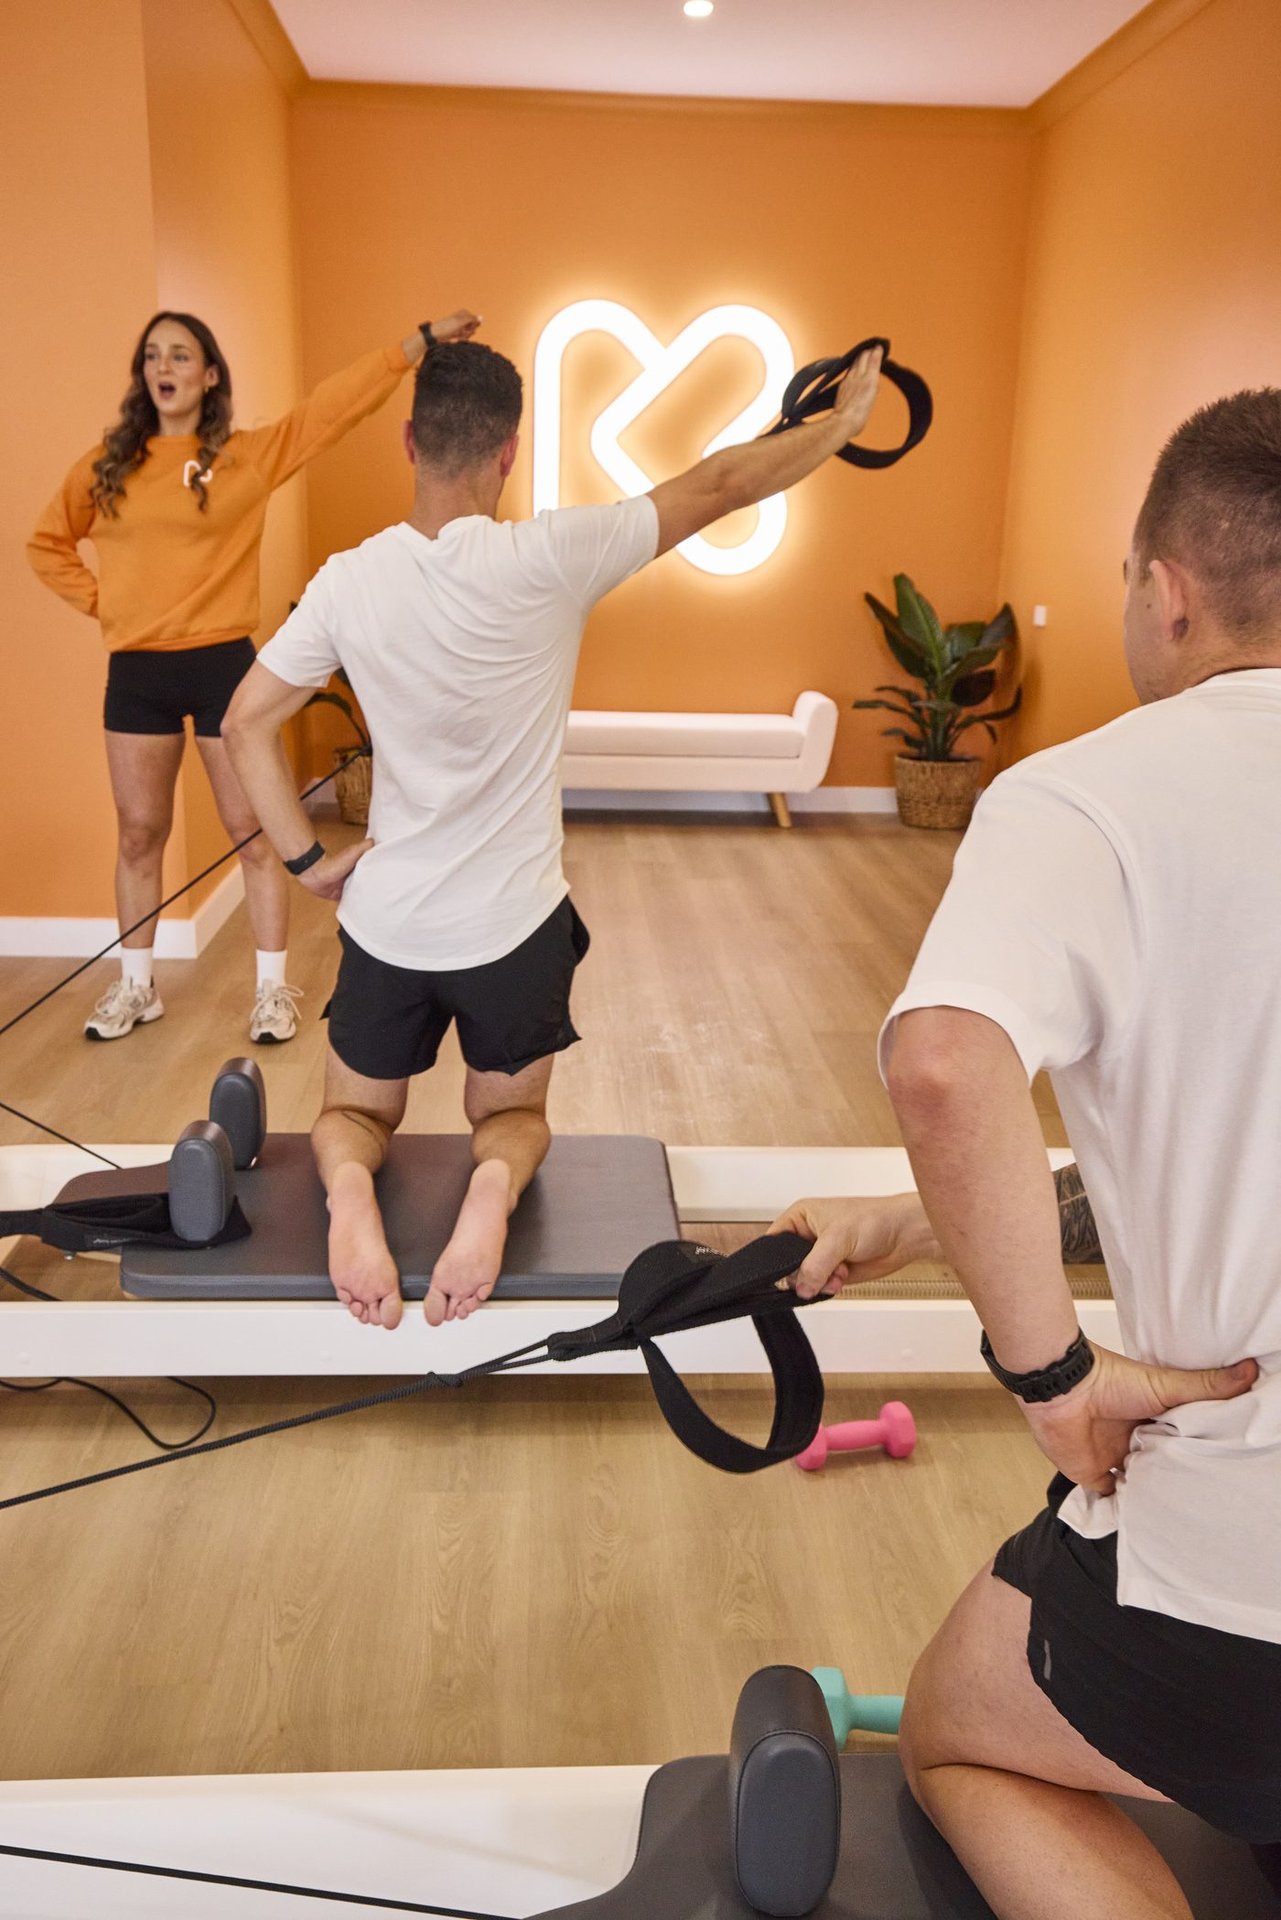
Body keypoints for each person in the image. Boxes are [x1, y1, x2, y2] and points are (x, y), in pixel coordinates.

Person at [773, 387, 1281, 1918]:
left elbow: (945, 1066)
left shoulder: (1088, 790)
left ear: (1165, 587)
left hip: (1242, 1582)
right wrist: (920, 1224)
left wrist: (1053, 1379)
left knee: (959, 1737)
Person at [222, 336, 885, 1330]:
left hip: (388, 921)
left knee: (353, 1116)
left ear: (409, 441)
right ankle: (489, 1197)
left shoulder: (347, 582)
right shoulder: (553, 555)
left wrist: (311, 862)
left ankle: (352, 1197)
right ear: (510, 453)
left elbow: (244, 723)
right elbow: (722, 483)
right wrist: (840, 425)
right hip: (513, 928)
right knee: (513, 1118)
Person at [28, 305, 479, 1044]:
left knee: (251, 832)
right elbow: (47, 543)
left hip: (221, 666)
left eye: (179, 356)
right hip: (135, 671)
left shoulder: (248, 457)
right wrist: (107, 603)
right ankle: (136, 987)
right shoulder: (106, 465)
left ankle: (272, 991)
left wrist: (415, 346)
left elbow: (332, 408)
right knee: (140, 834)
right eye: (151, 356)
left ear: (209, 375)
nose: (163, 367)